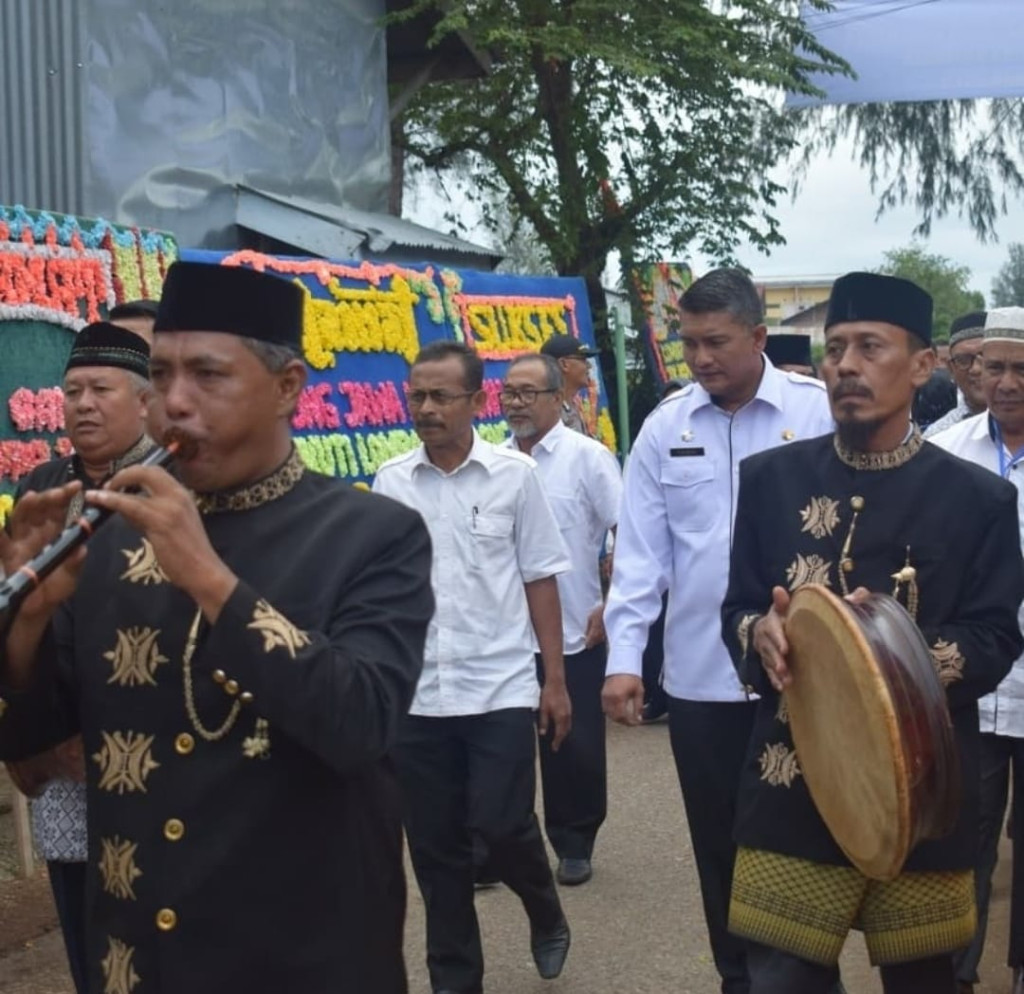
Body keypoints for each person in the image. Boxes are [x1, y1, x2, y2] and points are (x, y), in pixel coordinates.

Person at [0, 261, 434, 994]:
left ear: (288, 387)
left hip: (299, 954)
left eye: (207, 376)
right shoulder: (108, 532)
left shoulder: (373, 534)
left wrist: (207, 576)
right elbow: (36, 748)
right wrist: (27, 621)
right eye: (160, 375)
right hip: (138, 955)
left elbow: (360, 721)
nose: (173, 404)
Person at [721, 272, 1024, 994]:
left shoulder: (979, 498)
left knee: (925, 981)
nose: (846, 366)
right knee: (780, 980)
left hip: (921, 785)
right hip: (789, 774)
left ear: (924, 366)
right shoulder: (768, 479)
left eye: (869, 347)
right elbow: (733, 605)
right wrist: (759, 631)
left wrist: (884, 666)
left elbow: (992, 637)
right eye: (835, 350)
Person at [602, 267, 834, 994]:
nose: (701, 359)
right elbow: (642, 557)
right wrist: (625, 659)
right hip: (702, 675)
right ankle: (739, 978)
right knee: (721, 842)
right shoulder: (666, 427)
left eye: (716, 342)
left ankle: (805, 977)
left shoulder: (816, 413)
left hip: (806, 675)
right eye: (689, 343)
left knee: (802, 840)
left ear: (758, 337)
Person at [374, 340, 573, 994]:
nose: (425, 409)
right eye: (417, 396)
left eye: (440, 397)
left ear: (475, 401)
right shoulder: (392, 480)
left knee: (500, 824)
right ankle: (455, 981)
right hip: (419, 697)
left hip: (500, 689)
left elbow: (540, 576)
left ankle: (542, 902)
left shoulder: (514, 477)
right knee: (436, 855)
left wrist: (555, 680)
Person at [5, 321, 153, 994]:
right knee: (90, 943)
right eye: (72, 391)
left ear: (145, 402)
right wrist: (42, 741)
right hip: (63, 755)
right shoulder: (43, 488)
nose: (83, 404)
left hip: (159, 757)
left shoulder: (175, 486)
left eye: (101, 389)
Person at [500, 352, 622, 885]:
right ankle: (496, 846)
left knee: (570, 743)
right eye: (508, 392)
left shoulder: (588, 459)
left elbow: (626, 534)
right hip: (503, 633)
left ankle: (575, 840)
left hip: (575, 625)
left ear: (558, 398)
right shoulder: (492, 461)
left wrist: (610, 603)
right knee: (500, 746)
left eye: (528, 393)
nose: (516, 403)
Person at [930, 306, 1024, 994]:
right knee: (964, 839)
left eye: (1022, 368)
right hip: (974, 681)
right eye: (994, 367)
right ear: (973, 372)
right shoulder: (945, 451)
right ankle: (954, 975)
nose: (1007, 383)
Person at [924, 311, 988, 438]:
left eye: (985, 357)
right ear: (951, 369)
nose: (975, 369)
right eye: (963, 360)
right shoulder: (938, 437)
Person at [540, 332, 599, 435]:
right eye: (583, 360)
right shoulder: (549, 411)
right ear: (564, 364)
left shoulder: (571, 404)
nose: (589, 366)